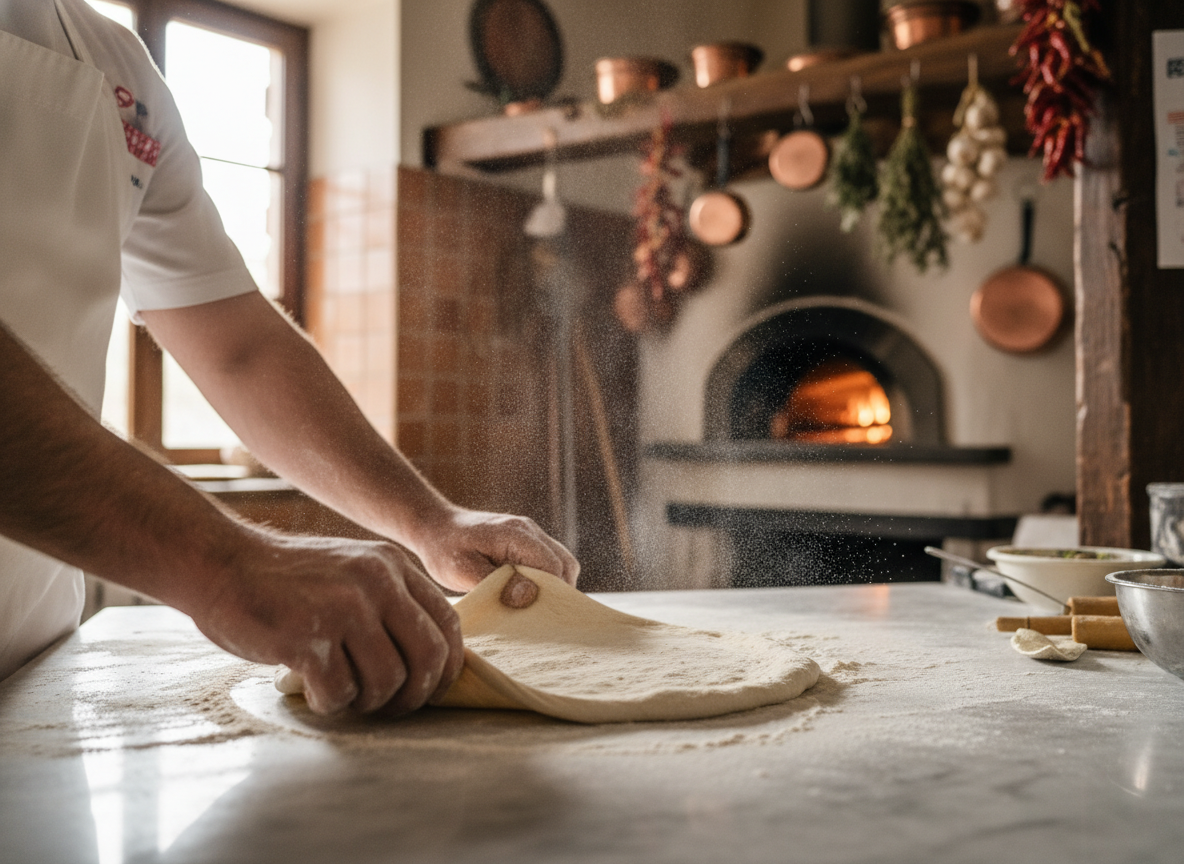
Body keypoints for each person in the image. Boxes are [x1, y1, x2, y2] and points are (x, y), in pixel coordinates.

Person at [0, 0, 578, 715]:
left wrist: (430, 522)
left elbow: (239, 347)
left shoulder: (117, 68)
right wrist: (227, 564)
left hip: (28, 662)